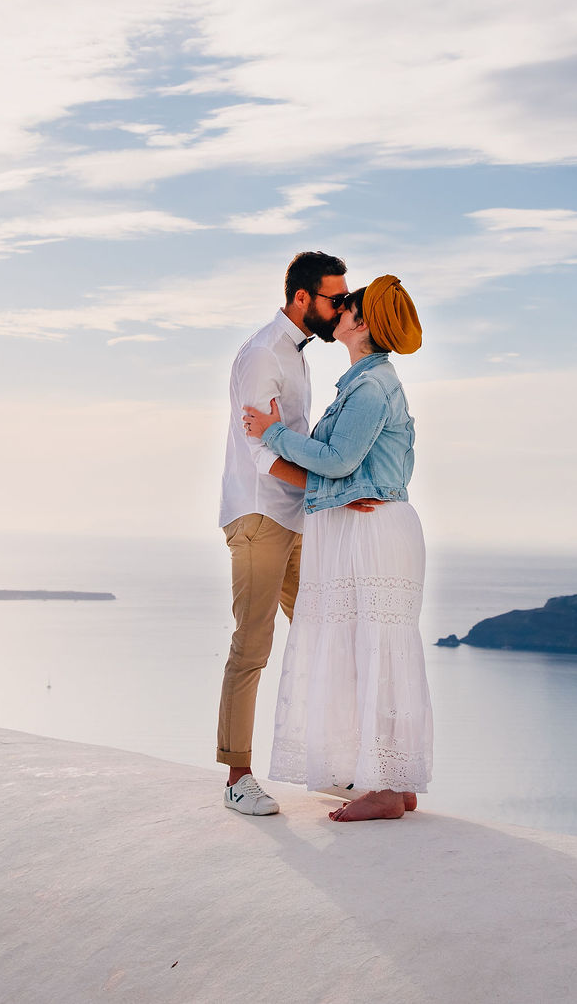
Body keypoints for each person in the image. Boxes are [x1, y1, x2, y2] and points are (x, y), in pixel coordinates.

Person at [242, 275, 430, 822]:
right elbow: (349, 466)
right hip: (362, 533)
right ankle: (392, 781)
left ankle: (387, 790)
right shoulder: (362, 382)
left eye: (348, 305)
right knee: (367, 651)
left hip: (372, 538)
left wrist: (272, 432)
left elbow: (338, 459)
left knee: (372, 651)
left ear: (362, 323)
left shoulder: (371, 389)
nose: (339, 310)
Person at [215, 251, 348, 816]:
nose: (341, 307)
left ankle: (335, 765)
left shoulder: (296, 355)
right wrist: (328, 488)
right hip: (260, 516)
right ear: (302, 299)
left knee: (323, 632)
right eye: (334, 298)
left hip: (295, 517)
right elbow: (261, 452)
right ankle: (237, 775)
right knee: (253, 643)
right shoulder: (263, 354)